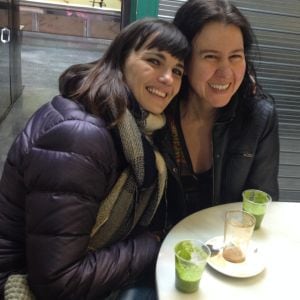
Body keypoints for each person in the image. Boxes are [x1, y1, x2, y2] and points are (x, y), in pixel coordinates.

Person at [0, 18, 189, 299]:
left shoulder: (134, 126)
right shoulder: (82, 136)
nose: (168, 79)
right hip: (21, 282)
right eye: (154, 61)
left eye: (177, 70)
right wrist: (154, 243)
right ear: (120, 58)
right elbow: (58, 282)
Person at [154, 0, 279, 225]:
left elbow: (261, 206)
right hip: (160, 250)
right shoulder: (157, 112)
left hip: (227, 252)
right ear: (183, 58)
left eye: (235, 57)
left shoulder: (258, 117)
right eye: (210, 56)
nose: (225, 73)